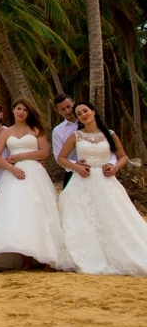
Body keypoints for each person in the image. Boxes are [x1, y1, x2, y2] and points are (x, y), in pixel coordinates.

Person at [57, 102, 147, 275]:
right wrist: (76, 166)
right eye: (79, 113)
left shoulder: (110, 134)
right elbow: (61, 158)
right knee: (83, 219)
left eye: (85, 111)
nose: (83, 114)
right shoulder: (76, 136)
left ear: (93, 112)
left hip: (106, 181)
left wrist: (115, 168)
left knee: (114, 217)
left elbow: (122, 156)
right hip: (82, 181)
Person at [0, 99, 73, 271]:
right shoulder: (6, 132)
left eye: (25, 109)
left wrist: (21, 156)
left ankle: (48, 258)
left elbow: (44, 152)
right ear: (13, 110)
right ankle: (26, 260)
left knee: (40, 211)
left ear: (29, 112)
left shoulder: (36, 129)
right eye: (18, 108)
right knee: (19, 214)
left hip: (34, 173)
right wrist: (11, 167)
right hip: (13, 175)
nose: (21, 112)